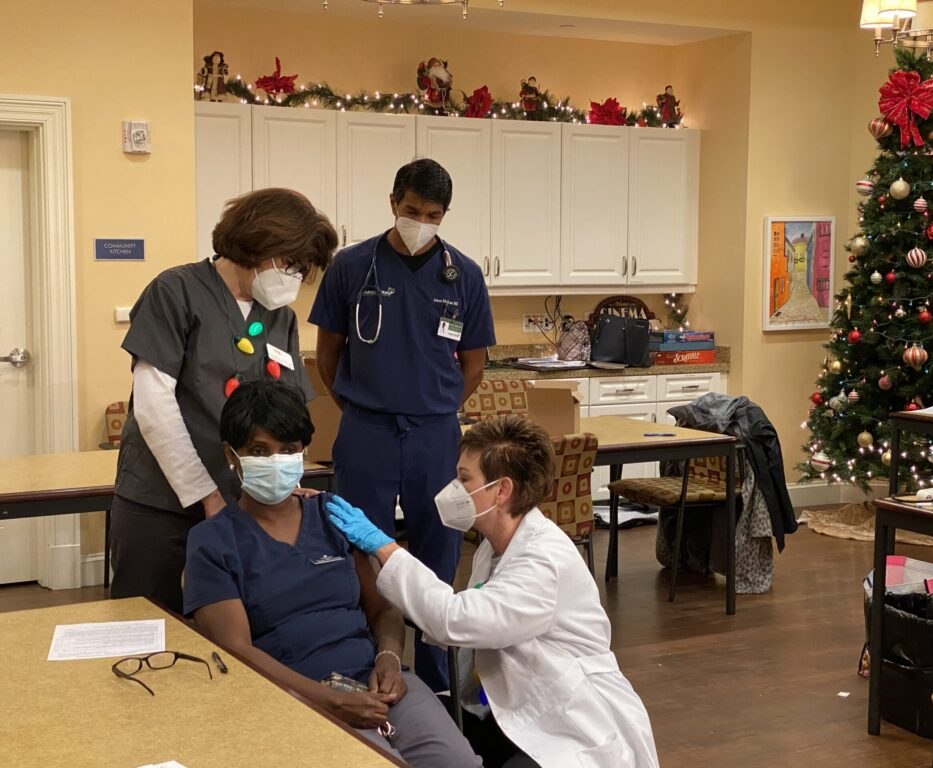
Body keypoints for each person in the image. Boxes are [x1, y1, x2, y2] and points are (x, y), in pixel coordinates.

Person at [326, 415, 660, 768]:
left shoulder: (542, 560)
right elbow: (465, 619)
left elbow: (456, 619)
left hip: (570, 722)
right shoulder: (497, 544)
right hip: (510, 703)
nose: (453, 487)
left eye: (463, 479)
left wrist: (384, 548)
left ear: (502, 490)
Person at [183, 380, 481, 768]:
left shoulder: (333, 517)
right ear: (231, 455)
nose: (276, 461)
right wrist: (329, 701)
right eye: (259, 451)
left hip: (377, 680)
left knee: (460, 763)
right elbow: (236, 651)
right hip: (292, 694)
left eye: (288, 450)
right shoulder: (213, 542)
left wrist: (389, 659)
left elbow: (382, 609)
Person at [309, 158, 495, 692]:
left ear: (445, 214)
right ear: (393, 203)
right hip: (367, 429)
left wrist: (435, 407)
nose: (421, 221)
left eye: (433, 214)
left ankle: (437, 681)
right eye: (412, 210)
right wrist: (361, 407)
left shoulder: (463, 275)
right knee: (362, 547)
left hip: (436, 434)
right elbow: (328, 355)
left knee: (437, 551)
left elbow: (474, 363)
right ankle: (367, 662)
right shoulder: (351, 266)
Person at [110, 188, 338, 614]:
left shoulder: (279, 317)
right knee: (144, 624)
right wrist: (207, 495)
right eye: (290, 263)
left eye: (301, 269)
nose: (293, 277)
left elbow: (286, 414)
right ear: (260, 243)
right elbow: (153, 407)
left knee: (232, 632)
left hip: (243, 502)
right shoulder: (175, 292)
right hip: (160, 501)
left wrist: (287, 480)